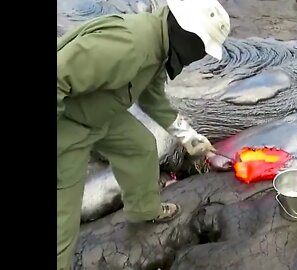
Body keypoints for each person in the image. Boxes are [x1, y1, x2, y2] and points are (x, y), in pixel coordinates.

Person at [56, 0, 231, 269]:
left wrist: (189, 137)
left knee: (141, 146)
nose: (200, 55)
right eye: (201, 48)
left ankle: (144, 209)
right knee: (64, 216)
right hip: (69, 121)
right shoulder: (128, 45)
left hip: (101, 110)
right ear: (187, 35)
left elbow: (152, 99)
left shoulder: (159, 47)